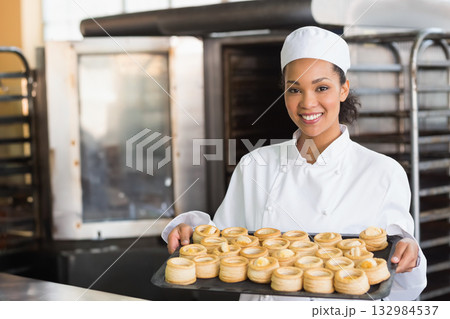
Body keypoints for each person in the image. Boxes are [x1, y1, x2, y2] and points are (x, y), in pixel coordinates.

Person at [161, 26, 427, 301]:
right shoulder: (255, 165)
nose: (307, 103)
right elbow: (222, 245)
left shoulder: (382, 173)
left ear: (343, 89)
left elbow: (401, 282)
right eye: (294, 89)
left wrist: (410, 254)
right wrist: (191, 231)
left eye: (322, 87)